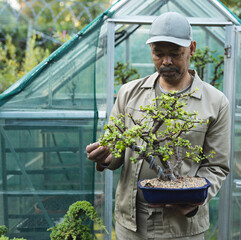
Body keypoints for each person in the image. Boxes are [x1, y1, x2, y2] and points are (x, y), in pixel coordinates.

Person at [86, 12, 230, 240]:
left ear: (191, 49)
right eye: (158, 54)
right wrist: (106, 157)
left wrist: (194, 200)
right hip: (131, 222)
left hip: (182, 226)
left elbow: (217, 166)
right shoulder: (129, 93)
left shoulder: (215, 102)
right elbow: (116, 151)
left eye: (175, 54)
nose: (166, 61)